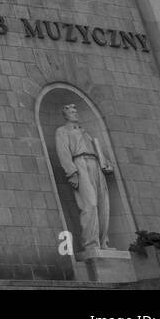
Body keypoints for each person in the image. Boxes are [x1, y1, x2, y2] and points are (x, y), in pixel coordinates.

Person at [54, 102, 113, 251]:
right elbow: (63, 152)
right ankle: (91, 244)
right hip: (80, 164)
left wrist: (106, 162)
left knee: (102, 204)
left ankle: (103, 242)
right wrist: (71, 172)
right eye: (71, 111)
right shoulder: (62, 131)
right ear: (65, 115)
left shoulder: (85, 132)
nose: (75, 113)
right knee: (90, 204)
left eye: (75, 111)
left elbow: (95, 149)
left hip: (95, 164)